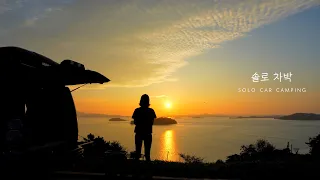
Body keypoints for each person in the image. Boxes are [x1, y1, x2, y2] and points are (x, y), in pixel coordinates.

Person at [132, 94, 156, 161]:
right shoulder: (151, 111)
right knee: (147, 153)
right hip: (148, 133)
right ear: (148, 102)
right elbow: (152, 123)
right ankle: (147, 168)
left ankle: (137, 168)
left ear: (140, 101)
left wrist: (141, 123)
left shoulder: (137, 110)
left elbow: (135, 122)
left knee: (138, 152)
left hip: (139, 132)